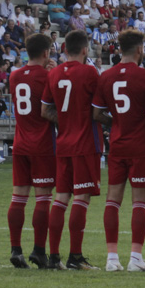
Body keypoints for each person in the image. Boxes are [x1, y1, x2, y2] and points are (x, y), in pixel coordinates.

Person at [92, 30, 145, 272]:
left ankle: (112, 259)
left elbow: (97, 114)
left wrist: (115, 122)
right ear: (140, 49)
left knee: (113, 200)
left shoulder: (106, 76)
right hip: (141, 144)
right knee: (139, 202)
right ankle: (135, 258)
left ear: (119, 49)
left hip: (117, 144)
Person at [40, 30, 102, 270]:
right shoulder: (89, 72)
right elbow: (99, 107)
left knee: (61, 198)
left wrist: (65, 121)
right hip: (85, 143)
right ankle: (75, 257)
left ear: (64, 49)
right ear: (85, 50)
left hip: (63, 143)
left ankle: (54, 256)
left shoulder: (54, 73)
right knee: (82, 198)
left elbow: (45, 112)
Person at [8, 33, 56, 269]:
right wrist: (53, 73)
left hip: (20, 142)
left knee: (18, 198)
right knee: (43, 198)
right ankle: (38, 250)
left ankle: (16, 249)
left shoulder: (14, 76)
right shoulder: (47, 76)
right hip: (42, 144)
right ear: (46, 53)